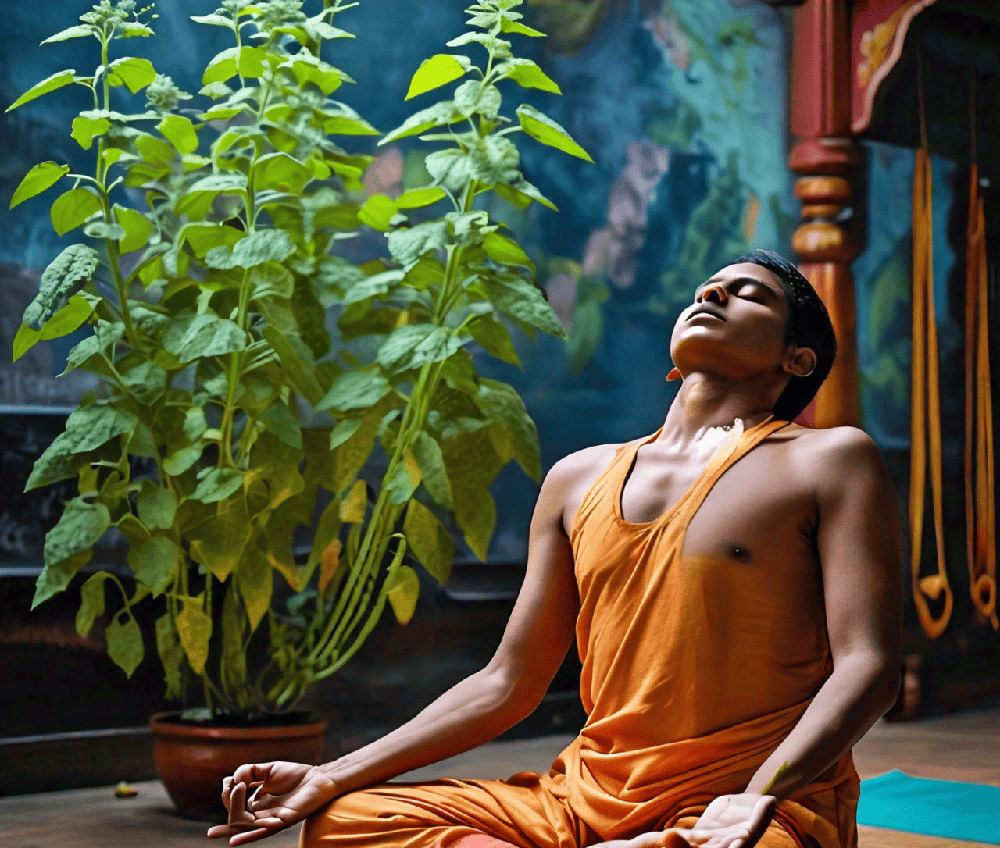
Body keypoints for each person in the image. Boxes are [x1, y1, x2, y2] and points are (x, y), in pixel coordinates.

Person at [208, 249, 902, 848]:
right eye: (705, 288)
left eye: (751, 292)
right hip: (579, 803)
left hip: (743, 811)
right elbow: (507, 683)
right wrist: (329, 775)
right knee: (346, 822)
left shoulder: (828, 459)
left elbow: (869, 665)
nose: (712, 293)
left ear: (797, 357)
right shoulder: (578, 477)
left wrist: (759, 794)